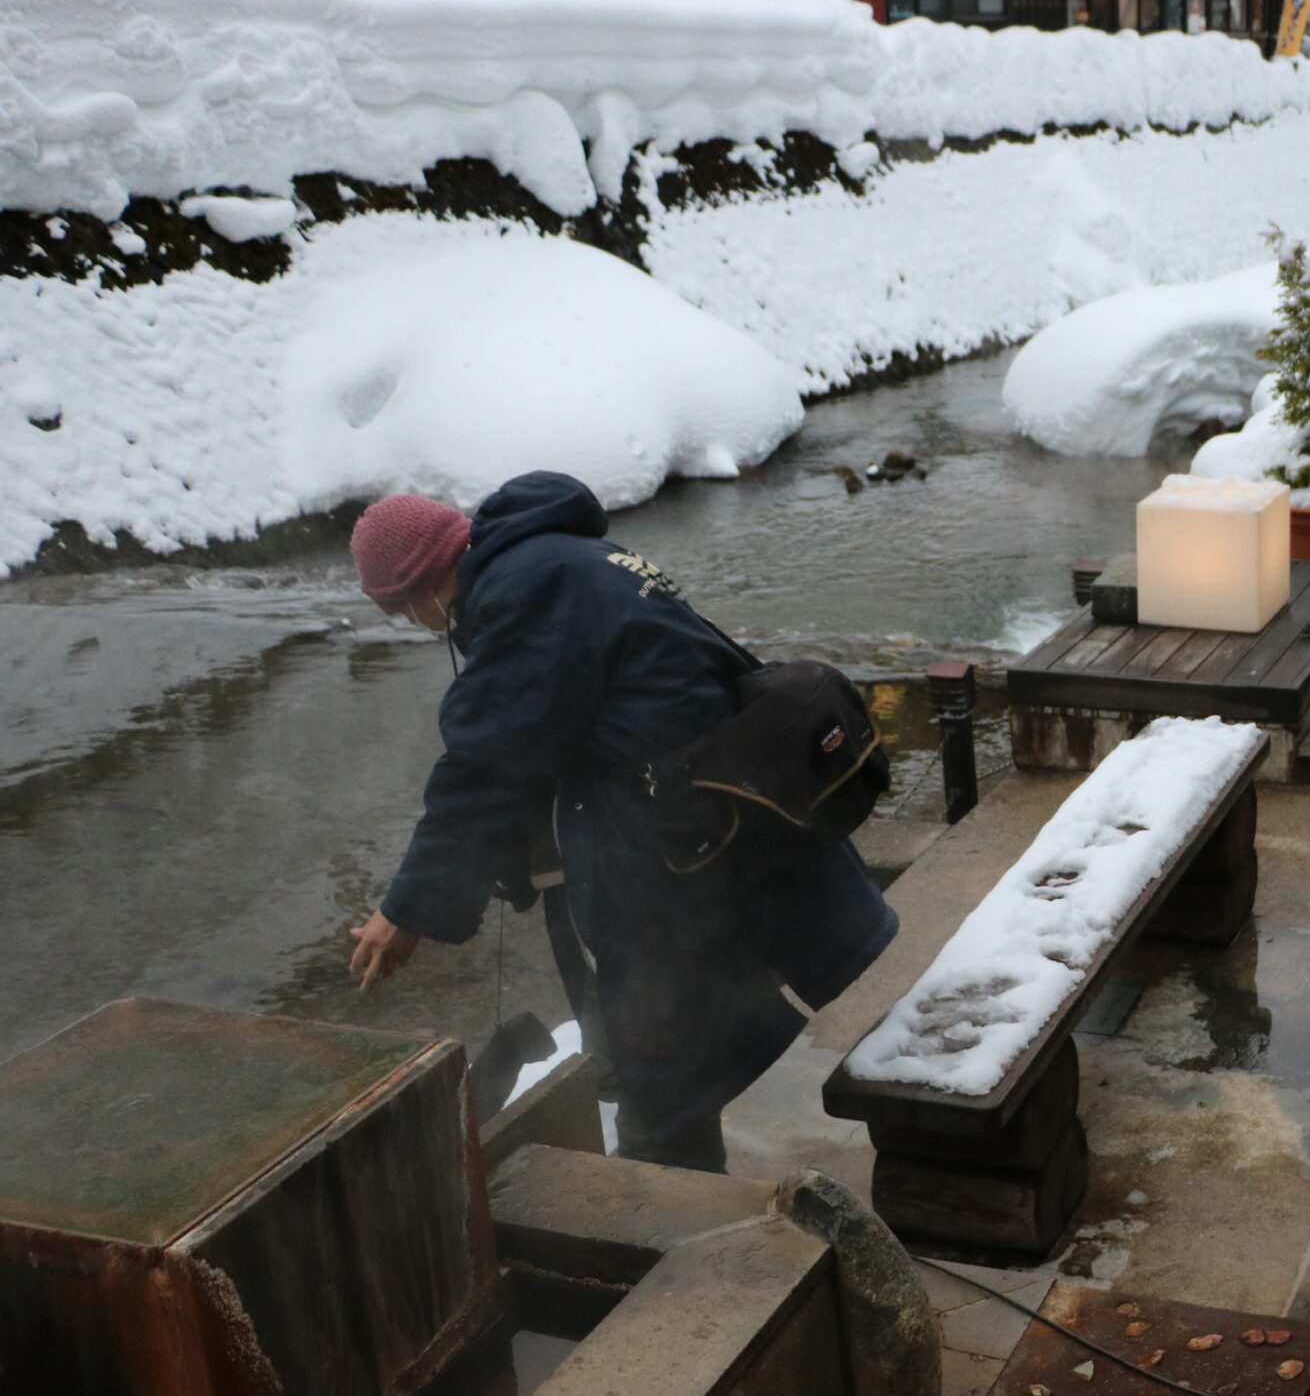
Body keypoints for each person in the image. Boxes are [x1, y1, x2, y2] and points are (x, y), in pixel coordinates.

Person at [344, 473, 899, 1172]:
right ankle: (928, 1153)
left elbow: (485, 766)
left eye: (403, 611)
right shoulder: (561, 557)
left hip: (687, 841)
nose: (417, 624)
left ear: (420, 587)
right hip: (752, 797)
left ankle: (676, 1238)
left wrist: (407, 909)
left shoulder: (523, 595)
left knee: (661, 1071)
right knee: (864, 995)